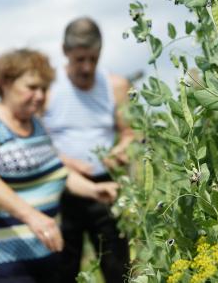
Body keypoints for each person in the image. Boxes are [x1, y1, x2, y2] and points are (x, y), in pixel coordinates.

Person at [0, 48, 119, 283]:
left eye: (44, 88)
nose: (40, 95)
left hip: (44, 257)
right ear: (5, 83)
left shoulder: (36, 124)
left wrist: (94, 190)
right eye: (32, 87)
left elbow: (56, 172)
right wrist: (33, 216)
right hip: (1, 263)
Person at [43, 17, 133, 283]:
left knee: (118, 266)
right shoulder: (48, 88)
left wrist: (122, 150)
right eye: (80, 59)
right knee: (63, 267)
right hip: (60, 188)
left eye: (93, 59)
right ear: (65, 51)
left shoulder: (115, 86)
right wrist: (65, 162)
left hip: (107, 187)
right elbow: (37, 143)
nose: (87, 67)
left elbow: (131, 132)